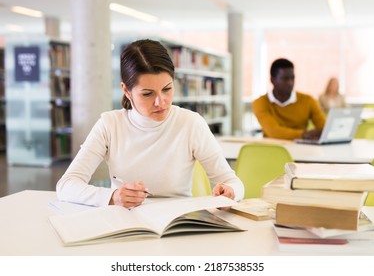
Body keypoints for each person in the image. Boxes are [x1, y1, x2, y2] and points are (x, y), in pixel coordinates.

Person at [56, 39, 244, 208]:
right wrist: (113, 196)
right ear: (126, 91)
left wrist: (230, 192)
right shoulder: (109, 125)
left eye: (167, 89)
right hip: (125, 224)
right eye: (147, 94)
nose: (160, 102)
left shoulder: (191, 123)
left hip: (176, 225)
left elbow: (231, 181)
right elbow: (66, 185)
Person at [252, 58, 326, 140]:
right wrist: (304, 134)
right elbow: (273, 132)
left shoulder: (308, 101)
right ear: (272, 80)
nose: (290, 83)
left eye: (292, 78)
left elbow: (324, 129)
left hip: (301, 149)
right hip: (273, 149)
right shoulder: (260, 103)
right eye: (285, 79)